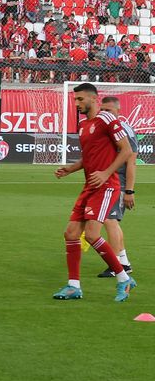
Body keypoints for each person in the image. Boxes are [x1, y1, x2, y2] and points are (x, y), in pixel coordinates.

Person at [52, 83, 135, 301]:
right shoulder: (83, 125)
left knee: (91, 234)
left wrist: (107, 173)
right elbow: (88, 158)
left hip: (106, 186)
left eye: (80, 99)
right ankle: (73, 286)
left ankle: (124, 279)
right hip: (90, 185)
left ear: (93, 99)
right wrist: (70, 169)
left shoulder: (106, 119)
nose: (76, 103)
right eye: (75, 99)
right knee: (71, 234)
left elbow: (126, 150)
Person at [97, 95, 137, 278]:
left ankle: (116, 266)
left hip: (118, 182)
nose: (104, 113)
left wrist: (129, 190)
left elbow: (131, 163)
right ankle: (123, 263)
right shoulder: (107, 128)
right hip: (108, 181)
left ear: (118, 111)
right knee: (110, 221)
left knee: (109, 220)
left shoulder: (124, 130)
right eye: (102, 110)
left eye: (109, 110)